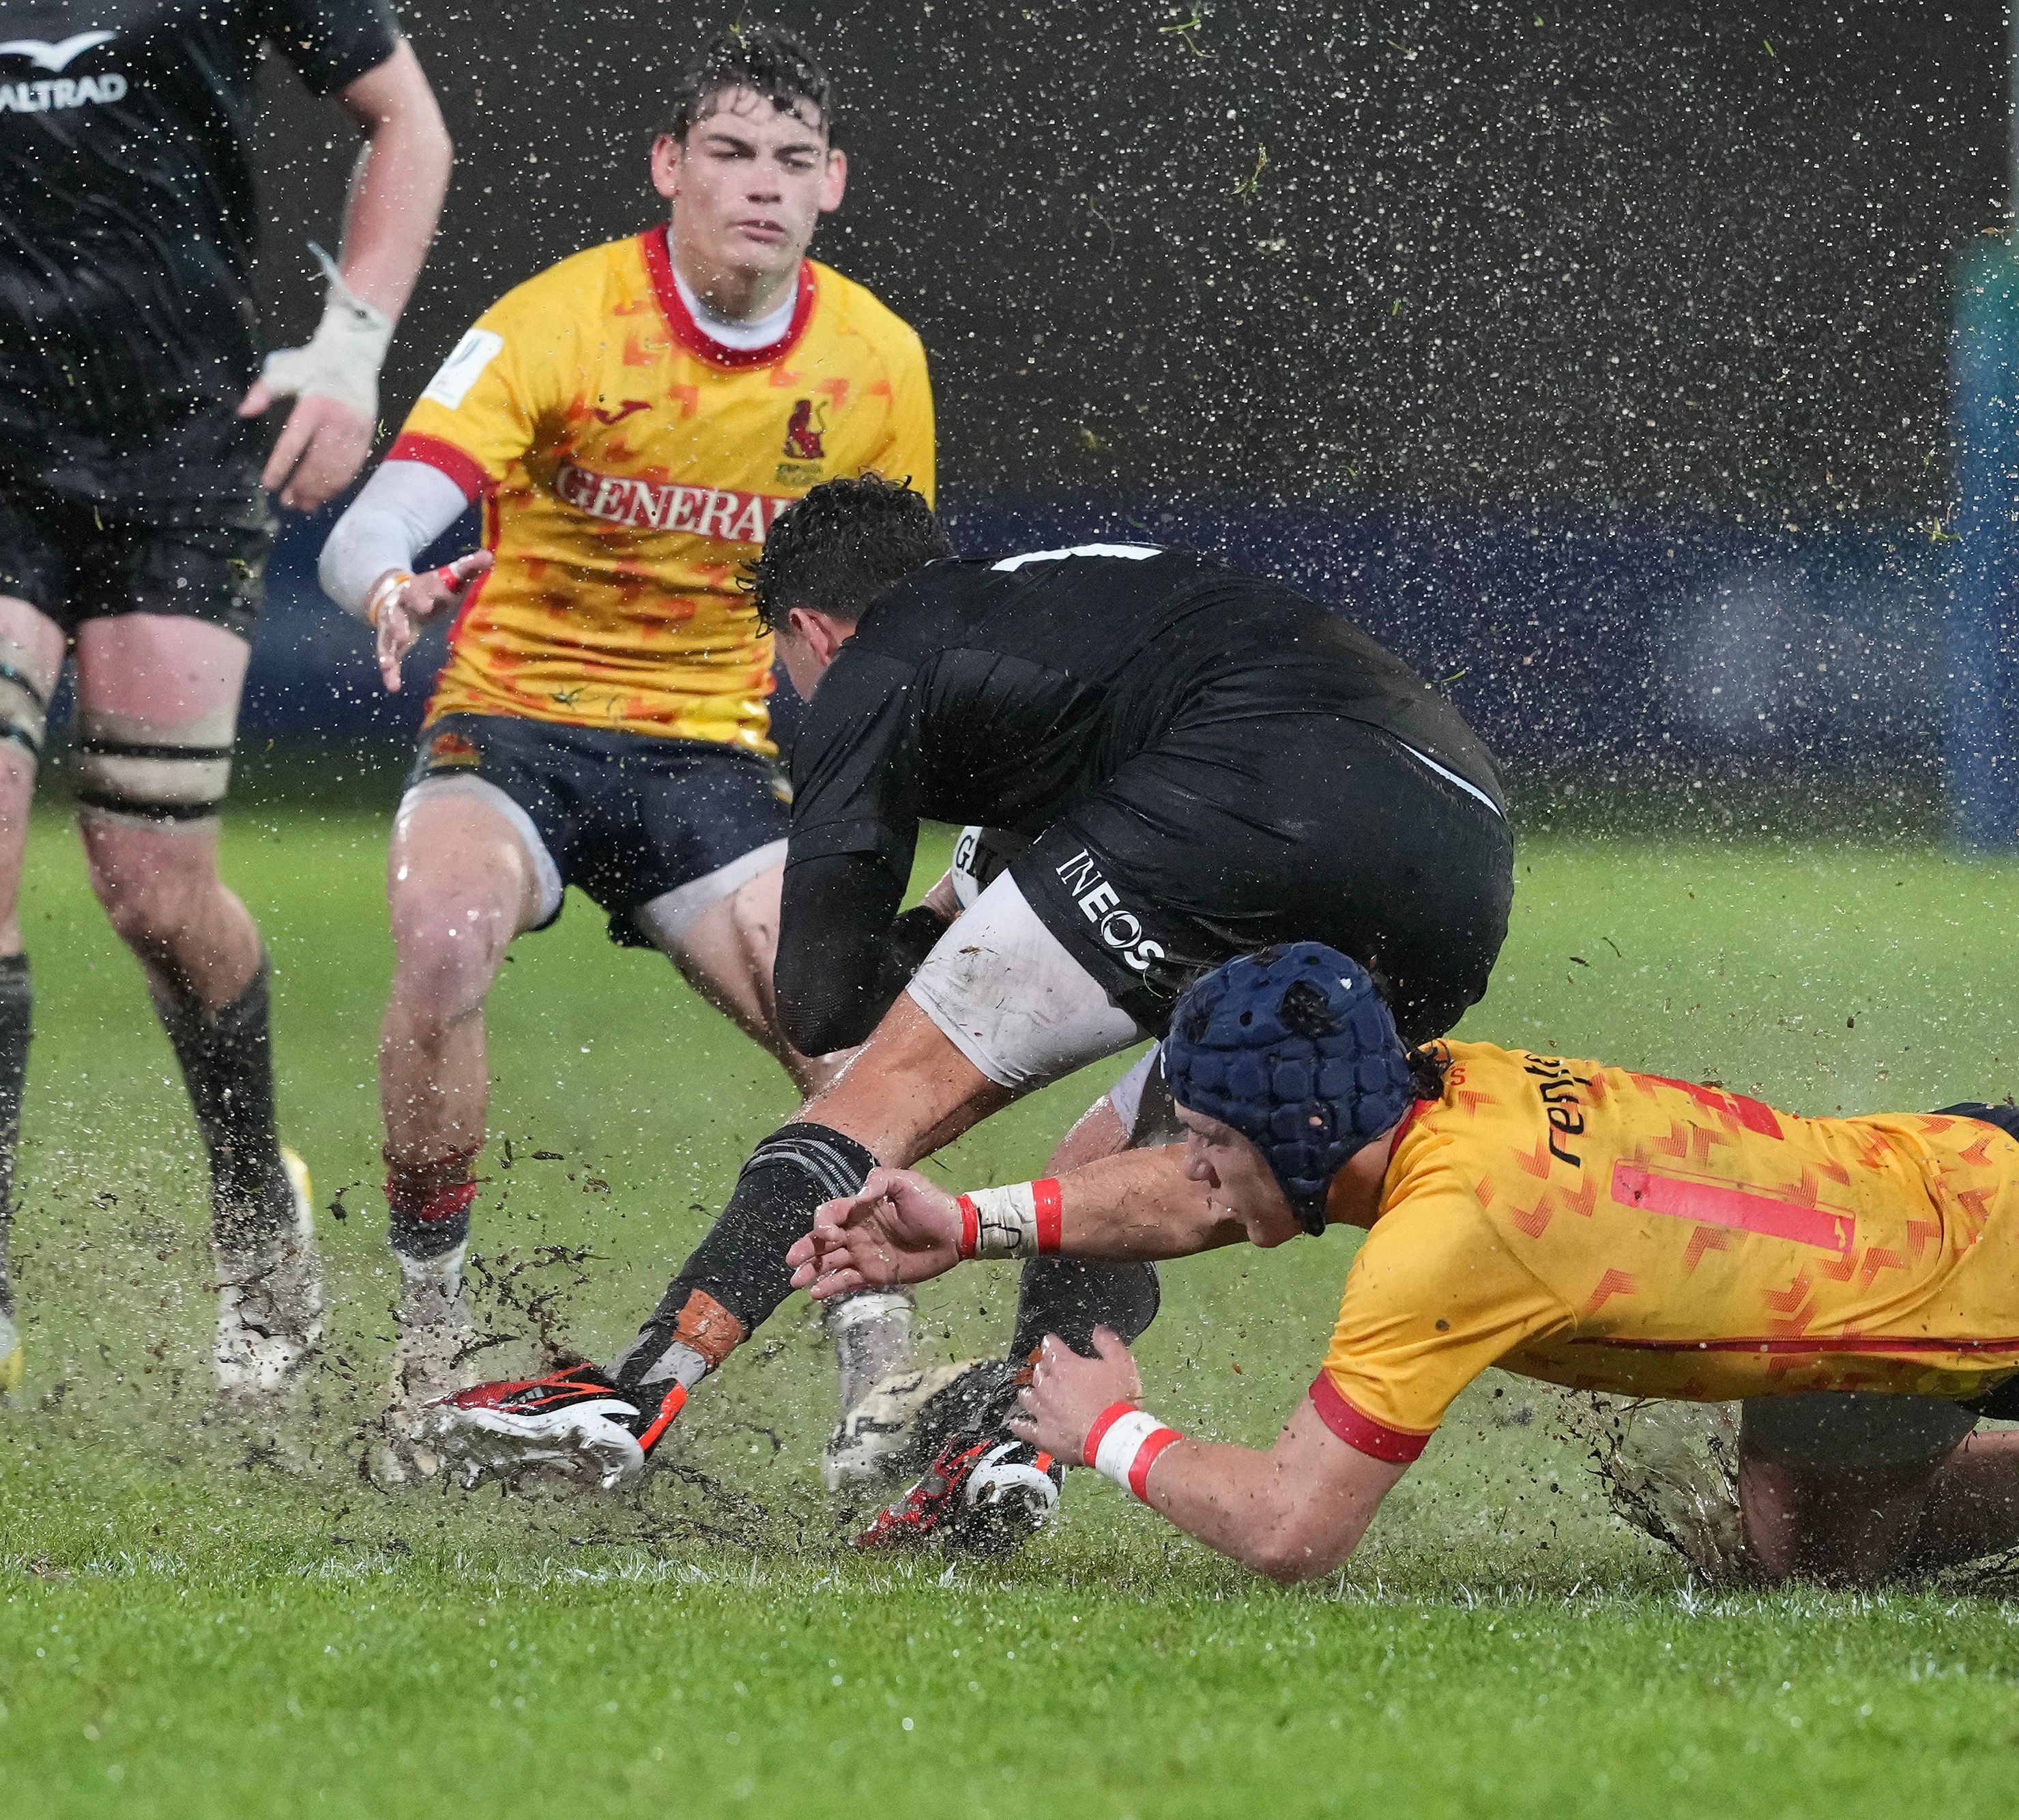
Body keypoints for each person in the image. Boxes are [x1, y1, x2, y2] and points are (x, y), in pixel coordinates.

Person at [784, 946, 2019, 1587]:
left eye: (1203, 1139)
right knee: (1798, 1558)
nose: (1180, 1173)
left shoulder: (1454, 1227)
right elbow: (1217, 1199)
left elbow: (1292, 1524)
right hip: (1875, 1278)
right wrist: (976, 1223)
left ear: (1294, 1144)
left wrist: (1112, 1430)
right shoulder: (1431, 1098)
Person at [418, 479, 1516, 1527]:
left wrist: (913, 930)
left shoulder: (878, 658)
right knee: (1122, 1166)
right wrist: (963, 904)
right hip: (1461, 876)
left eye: (789, 668)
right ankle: (1018, 1444)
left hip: (1247, 789)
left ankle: (635, 1393)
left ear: (815, 631)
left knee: (878, 1096)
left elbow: (819, 1001)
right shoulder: (1050, 609)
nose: (801, 695)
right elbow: (1102, 771)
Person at [313, 25, 933, 1461]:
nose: (759, 187)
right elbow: (375, 524)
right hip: (515, 722)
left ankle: (878, 1374)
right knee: (444, 936)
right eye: (728, 153)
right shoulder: (559, 318)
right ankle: (428, 1334)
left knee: (844, 1027)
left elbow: (890, 608)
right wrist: (389, 586)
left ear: (831, 183)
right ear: (669, 167)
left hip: (709, 757)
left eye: (791, 160)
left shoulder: (875, 362)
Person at [0, 3, 452, 1400]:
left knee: (152, 886)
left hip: (177, 456)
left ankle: (256, 1199)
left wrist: (351, 345)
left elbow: (407, 119)